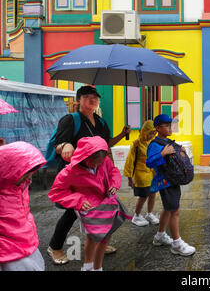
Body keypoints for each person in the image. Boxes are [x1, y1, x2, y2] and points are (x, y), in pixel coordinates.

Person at [47, 85, 130, 264]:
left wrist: (123, 134)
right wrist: (65, 146)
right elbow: (58, 144)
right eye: (87, 97)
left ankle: (97, 240)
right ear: (79, 100)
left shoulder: (100, 121)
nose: (92, 100)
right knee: (71, 212)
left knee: (99, 210)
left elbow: (107, 144)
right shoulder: (70, 120)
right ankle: (55, 247)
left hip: (97, 174)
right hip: (75, 176)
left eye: (95, 97)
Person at [48, 136, 123, 271]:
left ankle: (97, 267)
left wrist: (114, 183)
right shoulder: (70, 171)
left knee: (107, 234)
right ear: (84, 157)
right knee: (93, 236)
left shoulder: (104, 161)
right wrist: (78, 200)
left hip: (106, 202)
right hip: (88, 207)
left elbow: (113, 171)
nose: (96, 165)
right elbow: (56, 192)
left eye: (99, 163)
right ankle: (88, 265)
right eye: (93, 163)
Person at [146, 114, 196, 256]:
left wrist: (181, 150)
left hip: (172, 180)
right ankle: (177, 243)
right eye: (167, 125)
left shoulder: (167, 141)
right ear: (158, 128)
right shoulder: (155, 144)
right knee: (175, 211)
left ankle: (160, 235)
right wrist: (162, 153)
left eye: (171, 125)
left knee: (168, 209)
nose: (170, 128)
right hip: (165, 182)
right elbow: (149, 162)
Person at [0, 141, 47, 271]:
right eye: (25, 174)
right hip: (8, 253)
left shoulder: (20, 186)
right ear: (8, 169)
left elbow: (24, 212)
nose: (29, 177)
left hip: (26, 242)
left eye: (30, 173)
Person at [123, 120, 160, 226]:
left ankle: (149, 214)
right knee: (143, 196)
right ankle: (136, 215)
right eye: (150, 133)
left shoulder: (152, 143)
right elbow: (130, 161)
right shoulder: (136, 144)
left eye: (154, 133)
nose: (152, 135)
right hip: (141, 175)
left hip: (152, 174)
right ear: (144, 132)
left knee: (153, 194)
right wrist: (130, 178)